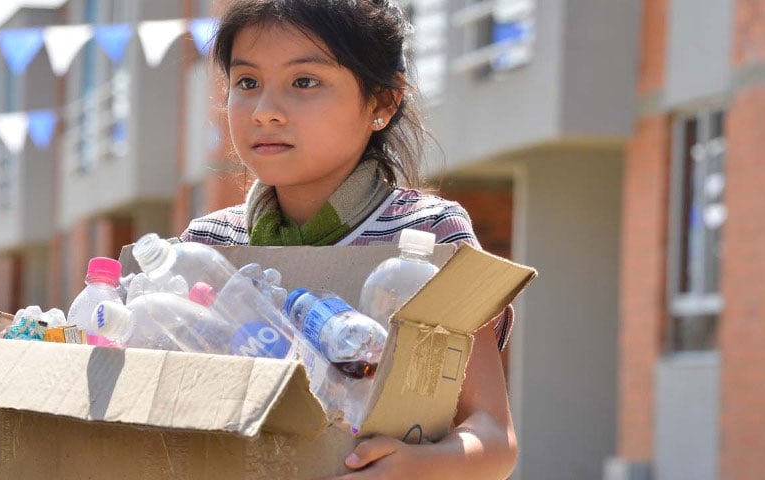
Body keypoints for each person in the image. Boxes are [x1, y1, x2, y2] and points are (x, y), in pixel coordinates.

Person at [180, 0, 517, 477]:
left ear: (381, 102)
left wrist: (415, 467)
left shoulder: (429, 234)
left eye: (304, 82)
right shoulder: (204, 246)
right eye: (247, 82)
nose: (265, 112)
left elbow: (494, 436)